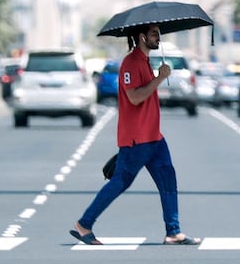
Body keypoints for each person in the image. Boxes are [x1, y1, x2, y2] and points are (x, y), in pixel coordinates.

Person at [69, 23, 201, 246]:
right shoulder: (131, 63)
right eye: (154, 34)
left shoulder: (145, 61)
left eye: (158, 33)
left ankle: (173, 232)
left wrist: (158, 76)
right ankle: (84, 224)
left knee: (168, 180)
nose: (158, 38)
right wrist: (160, 78)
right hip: (137, 138)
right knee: (120, 182)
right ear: (141, 37)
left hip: (153, 137)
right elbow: (135, 97)